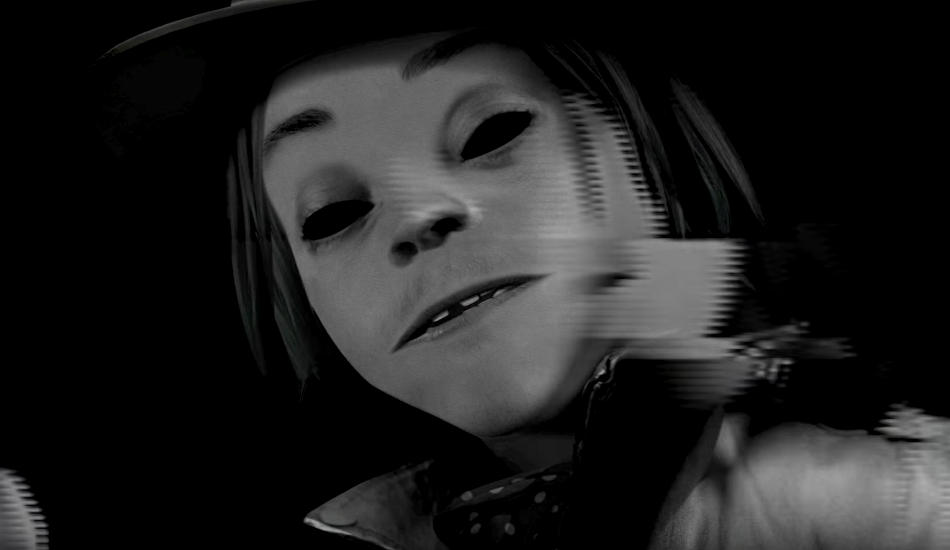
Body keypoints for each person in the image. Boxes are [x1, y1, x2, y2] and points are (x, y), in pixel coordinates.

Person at [89, 2, 949, 549]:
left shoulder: (881, 490)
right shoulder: (367, 526)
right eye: (331, 213)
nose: (417, 215)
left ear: (656, 149)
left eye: (494, 132)